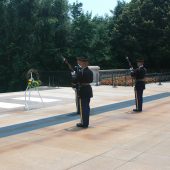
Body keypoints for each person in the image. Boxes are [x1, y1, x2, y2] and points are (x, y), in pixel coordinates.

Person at [71, 56, 93, 128]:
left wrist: (74, 75)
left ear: (84, 63)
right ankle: (86, 122)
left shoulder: (82, 72)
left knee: (83, 108)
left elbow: (75, 80)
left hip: (83, 90)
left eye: (80, 62)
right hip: (88, 89)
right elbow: (91, 80)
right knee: (87, 107)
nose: (79, 63)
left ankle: (84, 123)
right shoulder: (90, 71)